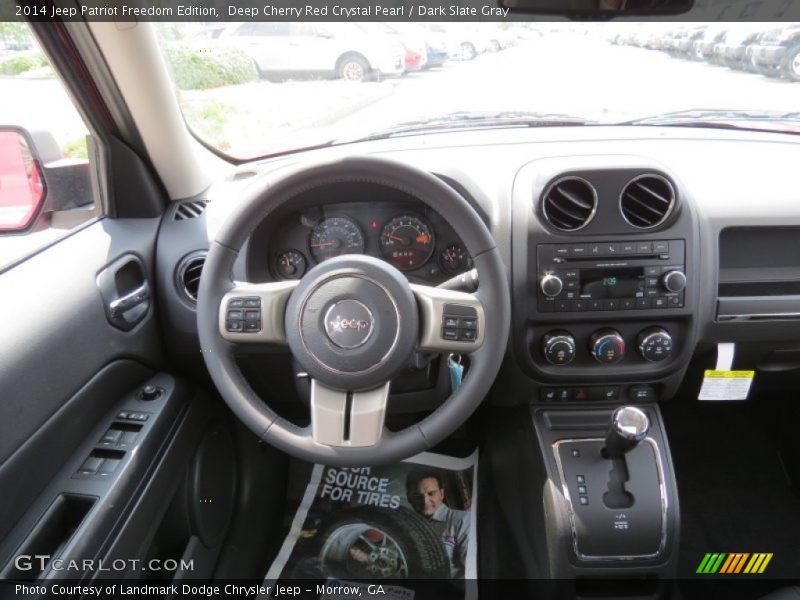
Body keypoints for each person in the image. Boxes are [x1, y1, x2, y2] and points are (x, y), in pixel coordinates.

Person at [406, 468, 471, 578]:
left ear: (442, 494)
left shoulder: (463, 519)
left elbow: (471, 569)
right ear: (409, 498)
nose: (425, 501)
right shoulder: (407, 526)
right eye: (417, 496)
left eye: (431, 493)